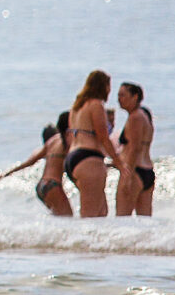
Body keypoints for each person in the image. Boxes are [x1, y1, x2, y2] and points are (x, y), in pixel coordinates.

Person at [64, 71, 129, 218]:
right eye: (108, 86)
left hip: (73, 159)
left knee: (102, 212)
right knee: (90, 216)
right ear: (103, 86)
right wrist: (119, 162)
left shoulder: (76, 107)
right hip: (89, 158)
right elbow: (103, 137)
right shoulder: (96, 104)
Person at [0, 116, 75, 217]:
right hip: (53, 185)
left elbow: (29, 162)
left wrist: (5, 174)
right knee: (68, 218)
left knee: (59, 218)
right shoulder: (68, 143)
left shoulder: (52, 141)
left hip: (41, 186)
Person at [115, 82, 156, 217]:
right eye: (118, 95)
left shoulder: (135, 117)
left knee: (122, 218)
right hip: (147, 171)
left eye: (123, 95)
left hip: (135, 171)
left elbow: (135, 148)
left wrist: (128, 176)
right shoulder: (145, 114)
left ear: (135, 97)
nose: (119, 99)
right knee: (145, 222)